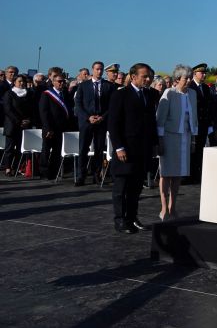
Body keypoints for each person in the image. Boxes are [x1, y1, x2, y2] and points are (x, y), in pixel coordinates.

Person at [107, 63, 159, 233]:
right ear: (134, 77)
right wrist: (119, 147)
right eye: (145, 76)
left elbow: (152, 122)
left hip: (142, 148)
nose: (148, 79)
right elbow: (113, 123)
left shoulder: (150, 95)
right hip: (126, 148)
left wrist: (154, 144)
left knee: (136, 187)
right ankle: (120, 220)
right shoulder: (120, 95)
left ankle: (132, 217)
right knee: (121, 187)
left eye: (150, 76)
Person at [155, 65, 198, 220]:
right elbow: (160, 119)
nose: (188, 81)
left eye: (190, 78)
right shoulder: (169, 93)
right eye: (186, 78)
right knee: (166, 173)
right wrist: (160, 141)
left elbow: (194, 117)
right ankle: (164, 207)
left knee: (179, 174)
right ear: (177, 79)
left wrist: (193, 139)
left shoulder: (192, 93)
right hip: (169, 137)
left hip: (185, 137)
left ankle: (174, 207)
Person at [73, 61, 116, 186]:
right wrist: (88, 117)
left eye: (101, 69)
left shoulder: (108, 86)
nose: (99, 71)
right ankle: (81, 175)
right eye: (97, 69)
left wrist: (103, 117)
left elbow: (111, 105)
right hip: (87, 122)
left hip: (101, 122)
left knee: (98, 149)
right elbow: (78, 104)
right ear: (93, 70)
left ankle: (96, 175)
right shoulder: (83, 86)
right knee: (83, 149)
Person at [38, 71, 71, 180]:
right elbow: (44, 112)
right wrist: (48, 128)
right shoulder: (46, 94)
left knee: (57, 151)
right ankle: (43, 171)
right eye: (59, 81)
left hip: (61, 128)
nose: (62, 83)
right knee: (46, 150)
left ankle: (53, 172)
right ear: (53, 82)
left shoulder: (65, 93)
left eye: (63, 81)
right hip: (50, 128)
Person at [2, 74, 36, 176]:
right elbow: (8, 110)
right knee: (10, 148)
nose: (22, 83)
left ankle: (18, 167)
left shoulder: (29, 94)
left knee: (21, 148)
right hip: (12, 125)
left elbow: (32, 109)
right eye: (19, 81)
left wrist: (28, 120)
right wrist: (19, 121)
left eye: (23, 81)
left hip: (25, 125)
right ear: (14, 82)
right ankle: (8, 168)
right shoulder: (9, 93)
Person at [187, 63, 211, 182]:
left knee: (200, 149)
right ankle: (190, 175)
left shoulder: (206, 88)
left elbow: (208, 107)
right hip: (193, 123)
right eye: (202, 73)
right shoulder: (190, 86)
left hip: (203, 124)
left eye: (205, 73)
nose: (204, 75)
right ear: (194, 73)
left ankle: (198, 174)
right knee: (192, 149)